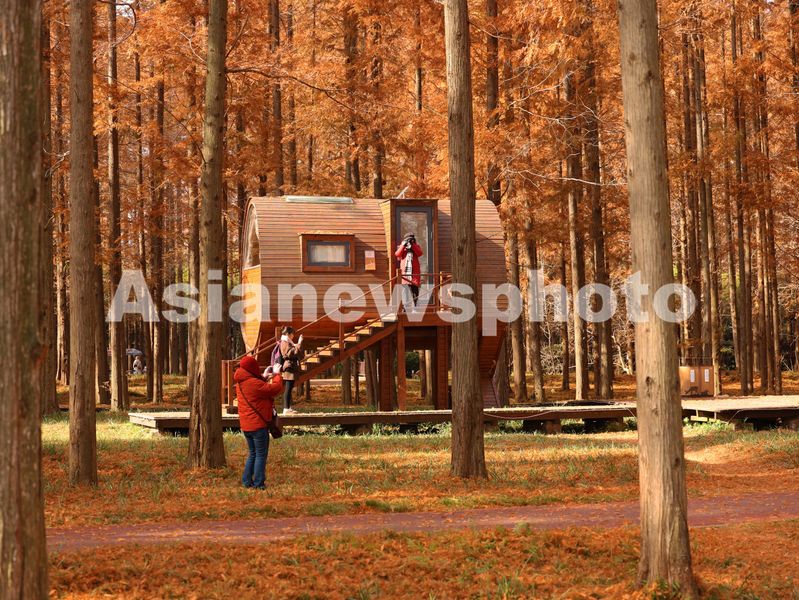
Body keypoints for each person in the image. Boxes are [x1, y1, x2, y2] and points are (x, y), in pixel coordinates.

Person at [235, 355, 284, 490]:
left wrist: (264, 376)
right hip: (258, 425)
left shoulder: (241, 382)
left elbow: (258, 386)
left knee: (253, 453)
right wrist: (277, 375)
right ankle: (258, 483)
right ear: (252, 368)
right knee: (261, 454)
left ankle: (246, 481)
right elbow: (274, 389)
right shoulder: (254, 383)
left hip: (246, 425)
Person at [276, 326, 303, 415]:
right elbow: (291, 353)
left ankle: (288, 407)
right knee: (288, 388)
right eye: (292, 334)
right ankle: (286, 408)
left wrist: (296, 345)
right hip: (289, 367)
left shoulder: (287, 341)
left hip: (290, 366)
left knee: (289, 388)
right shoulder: (284, 342)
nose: (293, 336)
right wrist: (299, 343)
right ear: (288, 334)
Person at [395, 232, 423, 308]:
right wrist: (403, 245)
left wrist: (413, 245)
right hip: (405, 273)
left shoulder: (416, 246)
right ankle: (406, 307)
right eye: (409, 239)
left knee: (414, 291)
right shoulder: (402, 246)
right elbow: (397, 254)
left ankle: (415, 308)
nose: (410, 241)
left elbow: (420, 253)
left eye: (412, 239)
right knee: (405, 291)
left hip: (414, 273)